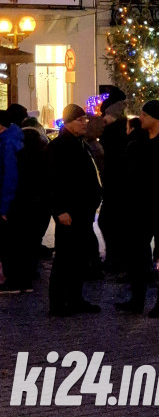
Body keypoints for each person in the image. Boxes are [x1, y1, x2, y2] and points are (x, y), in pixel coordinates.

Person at [116, 99, 159, 316]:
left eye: (143, 115)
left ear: (154, 118)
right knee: (138, 253)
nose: (139, 118)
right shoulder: (138, 141)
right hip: (140, 207)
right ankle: (137, 299)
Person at [47, 104, 102, 316]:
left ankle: (75, 298)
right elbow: (53, 182)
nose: (84, 123)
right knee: (64, 259)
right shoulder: (59, 147)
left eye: (85, 120)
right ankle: (58, 303)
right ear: (69, 122)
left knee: (79, 258)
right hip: (69, 213)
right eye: (80, 120)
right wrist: (60, 210)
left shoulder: (81, 144)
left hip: (83, 212)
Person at [0, 123, 50, 292]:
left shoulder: (12, 147)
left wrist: (5, 207)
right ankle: (26, 275)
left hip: (20, 202)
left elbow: (10, 179)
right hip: (37, 202)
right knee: (30, 241)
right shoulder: (39, 151)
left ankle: (16, 280)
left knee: (14, 243)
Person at [98, 88, 129, 273]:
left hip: (116, 183)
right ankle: (116, 258)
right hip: (116, 183)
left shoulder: (114, 131)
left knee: (110, 222)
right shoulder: (120, 129)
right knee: (111, 222)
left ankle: (116, 259)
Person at [0, 110, 24, 293]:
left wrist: (4, 206)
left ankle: (12, 280)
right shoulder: (15, 138)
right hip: (14, 200)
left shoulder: (7, 143)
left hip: (9, 201)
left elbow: (10, 176)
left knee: (8, 243)